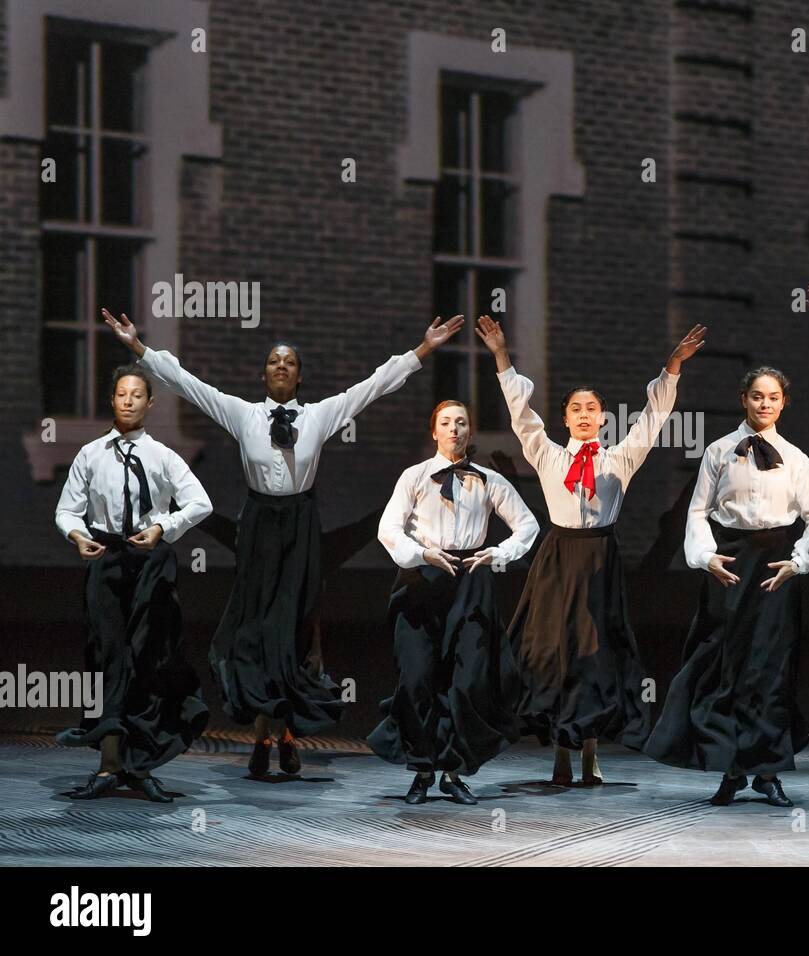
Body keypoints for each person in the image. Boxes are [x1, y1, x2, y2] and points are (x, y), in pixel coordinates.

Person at [101, 307, 462, 776]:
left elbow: (372, 386)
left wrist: (424, 348)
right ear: (263, 373)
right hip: (259, 528)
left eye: (289, 362)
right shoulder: (244, 415)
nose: (281, 368)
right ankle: (262, 731)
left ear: (299, 375)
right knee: (256, 628)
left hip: (300, 526)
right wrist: (137, 347)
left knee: (291, 629)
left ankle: (282, 733)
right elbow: (188, 383)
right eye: (274, 361)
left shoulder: (318, 417)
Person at [477, 314, 706, 784]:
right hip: (558, 562)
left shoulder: (620, 458)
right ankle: (561, 750)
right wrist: (502, 356)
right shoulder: (549, 455)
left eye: (592, 408)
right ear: (564, 418)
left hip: (601, 563)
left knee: (597, 658)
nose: (584, 415)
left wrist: (673, 366)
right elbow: (522, 416)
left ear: (603, 416)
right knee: (553, 655)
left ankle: (589, 753)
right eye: (575, 409)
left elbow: (654, 417)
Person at [643, 367, 809, 807]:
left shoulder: (797, 458)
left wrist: (798, 561)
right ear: (743, 398)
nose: (765, 404)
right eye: (757, 396)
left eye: (773, 397)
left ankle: (768, 772)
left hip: (776, 566)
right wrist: (706, 557)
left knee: (769, 670)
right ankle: (729, 770)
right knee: (727, 668)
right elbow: (697, 511)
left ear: (784, 402)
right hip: (730, 563)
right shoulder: (719, 451)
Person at [368, 399, 539, 805]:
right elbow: (388, 528)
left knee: (465, 681)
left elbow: (527, 525)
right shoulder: (414, 476)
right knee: (417, 678)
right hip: (422, 577)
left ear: (470, 432)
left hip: (470, 581)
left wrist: (497, 554)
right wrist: (421, 554)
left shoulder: (488, 479)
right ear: (434, 431)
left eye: (461, 422)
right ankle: (422, 768)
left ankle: (452, 772)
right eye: (446, 422)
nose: (454, 429)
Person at [54, 365, 213, 802]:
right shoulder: (91, 454)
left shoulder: (162, 455)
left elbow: (201, 502)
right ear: (112, 400)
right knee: (109, 656)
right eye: (121, 393)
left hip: (150, 559)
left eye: (136, 394)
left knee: (149, 657)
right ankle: (108, 765)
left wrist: (163, 527)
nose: (128, 400)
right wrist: (78, 535)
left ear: (149, 403)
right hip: (105, 558)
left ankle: (139, 764)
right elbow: (67, 510)